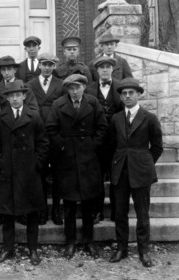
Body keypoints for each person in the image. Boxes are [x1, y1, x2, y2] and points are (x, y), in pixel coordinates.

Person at [46, 74, 108, 260]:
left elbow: (102, 127)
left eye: (78, 87)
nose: (74, 91)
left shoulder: (93, 102)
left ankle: (89, 241)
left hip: (88, 158)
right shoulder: (58, 104)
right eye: (71, 88)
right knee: (69, 204)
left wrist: (93, 145)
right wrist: (63, 145)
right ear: (67, 89)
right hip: (67, 159)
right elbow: (51, 128)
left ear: (84, 87)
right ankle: (70, 241)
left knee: (88, 203)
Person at [0, 81, 49, 266]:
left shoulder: (34, 116)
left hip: (28, 172)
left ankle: (33, 249)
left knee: (31, 214)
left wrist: (36, 164)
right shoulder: (0, 117)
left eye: (18, 95)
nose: (15, 99)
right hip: (7, 171)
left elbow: (43, 143)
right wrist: (0, 164)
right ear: (6, 98)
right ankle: (8, 248)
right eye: (11, 95)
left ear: (24, 96)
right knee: (7, 214)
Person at [109, 78, 163, 267]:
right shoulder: (116, 119)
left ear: (139, 94)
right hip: (120, 172)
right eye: (124, 93)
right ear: (121, 97)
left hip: (141, 172)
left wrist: (144, 163)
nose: (127, 96)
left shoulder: (149, 118)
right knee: (120, 213)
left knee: (142, 213)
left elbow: (157, 147)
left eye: (131, 93)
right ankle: (121, 248)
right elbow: (111, 145)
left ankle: (143, 251)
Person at [27, 52, 69, 226]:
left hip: (56, 133)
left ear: (54, 67)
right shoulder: (30, 84)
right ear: (39, 65)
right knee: (40, 173)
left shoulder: (61, 85)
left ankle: (56, 211)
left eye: (50, 64)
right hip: (37, 134)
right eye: (44, 64)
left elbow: (65, 107)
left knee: (58, 173)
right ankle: (41, 210)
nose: (47, 67)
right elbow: (28, 107)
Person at [85, 56, 125, 224]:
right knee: (97, 178)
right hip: (98, 141)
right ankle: (98, 212)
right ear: (97, 70)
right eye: (101, 68)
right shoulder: (89, 88)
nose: (105, 70)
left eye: (108, 67)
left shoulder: (121, 87)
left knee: (116, 178)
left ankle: (117, 212)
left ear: (112, 69)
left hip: (117, 142)